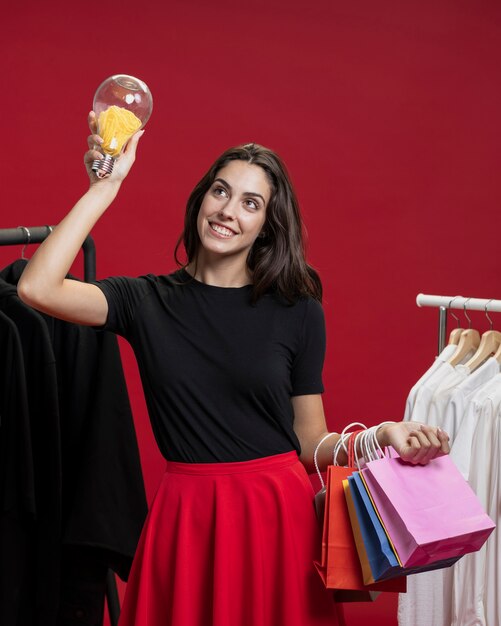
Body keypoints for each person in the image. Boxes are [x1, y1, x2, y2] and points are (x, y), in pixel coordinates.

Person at [18, 113, 450, 626]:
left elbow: (310, 445)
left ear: (267, 224)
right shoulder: (145, 300)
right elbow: (36, 288)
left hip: (277, 520)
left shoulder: (297, 307)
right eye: (220, 192)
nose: (228, 211)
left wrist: (382, 436)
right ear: (202, 198)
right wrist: (104, 187)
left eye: (251, 203)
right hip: (188, 521)